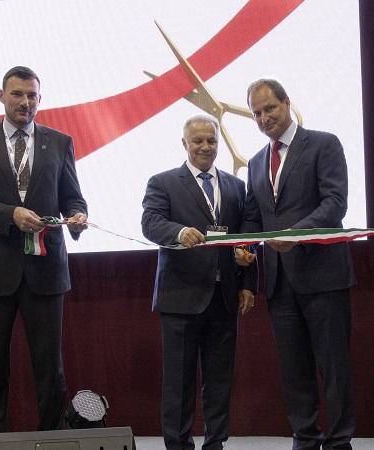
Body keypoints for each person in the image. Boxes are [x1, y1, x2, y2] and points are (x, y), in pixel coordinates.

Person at [240, 79, 356, 449]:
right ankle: (305, 439)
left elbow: (335, 203)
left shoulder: (324, 143)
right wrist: (245, 246)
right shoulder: (256, 162)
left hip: (323, 275)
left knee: (333, 367)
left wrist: (294, 234)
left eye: (270, 108)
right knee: (294, 371)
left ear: (287, 103)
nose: (264, 118)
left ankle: (339, 443)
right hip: (278, 281)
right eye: (257, 113)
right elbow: (255, 218)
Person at [0, 66, 88, 432]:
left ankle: (53, 438)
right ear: (1, 96)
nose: (25, 102)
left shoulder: (59, 142)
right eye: (18, 94)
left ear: (40, 98)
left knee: (49, 366)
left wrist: (78, 215)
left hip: (46, 269)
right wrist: (10, 214)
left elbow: (73, 197)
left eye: (32, 95)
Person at [141, 114, 257, 450]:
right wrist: (177, 232)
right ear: (184, 144)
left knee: (220, 380)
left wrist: (248, 280)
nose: (205, 147)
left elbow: (247, 237)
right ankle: (177, 445)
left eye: (211, 141)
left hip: (224, 297)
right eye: (198, 141)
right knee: (178, 381)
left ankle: (215, 443)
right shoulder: (162, 182)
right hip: (180, 297)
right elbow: (150, 223)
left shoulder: (236, 186)